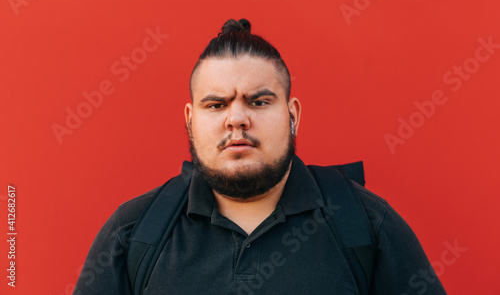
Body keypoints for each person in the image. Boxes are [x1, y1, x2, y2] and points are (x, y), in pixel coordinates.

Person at [74, 19, 447, 294]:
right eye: (216, 104)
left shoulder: (366, 225)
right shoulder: (134, 233)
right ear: (191, 120)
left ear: (292, 114)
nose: (237, 118)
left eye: (259, 101)